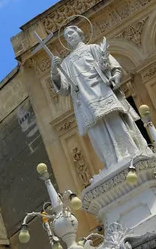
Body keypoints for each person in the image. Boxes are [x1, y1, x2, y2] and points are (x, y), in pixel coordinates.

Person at [51, 25, 150, 170]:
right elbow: (64, 89)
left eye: (71, 33)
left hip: (103, 92)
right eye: (66, 36)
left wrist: (116, 76)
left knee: (117, 124)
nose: (69, 37)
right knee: (98, 133)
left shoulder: (93, 49)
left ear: (80, 33)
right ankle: (111, 162)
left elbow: (112, 66)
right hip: (85, 102)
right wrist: (54, 70)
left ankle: (131, 152)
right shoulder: (66, 63)